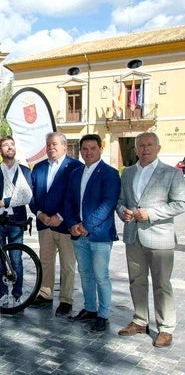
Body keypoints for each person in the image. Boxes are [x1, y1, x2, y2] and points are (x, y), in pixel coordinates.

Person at [116, 132, 185, 347]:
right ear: (135, 150)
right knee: (136, 280)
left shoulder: (171, 174)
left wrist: (151, 214)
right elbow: (120, 201)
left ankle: (165, 328)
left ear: (158, 148)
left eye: (149, 145)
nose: (145, 149)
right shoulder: (127, 173)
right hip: (133, 235)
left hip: (159, 238)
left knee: (161, 284)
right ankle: (140, 320)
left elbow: (180, 203)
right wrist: (123, 212)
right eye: (141, 146)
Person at [64, 134, 120, 333]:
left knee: (101, 276)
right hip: (78, 234)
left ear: (100, 149)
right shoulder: (76, 173)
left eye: (92, 148)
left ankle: (103, 315)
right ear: (80, 151)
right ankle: (90, 309)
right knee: (85, 273)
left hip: (99, 235)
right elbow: (68, 201)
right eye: (84, 149)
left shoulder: (110, 173)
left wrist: (86, 225)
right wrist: (72, 224)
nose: (88, 152)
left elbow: (108, 203)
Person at [30, 132, 83, 316]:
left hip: (66, 225)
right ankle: (45, 294)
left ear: (64, 146)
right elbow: (32, 195)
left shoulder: (76, 167)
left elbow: (76, 196)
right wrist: (39, 213)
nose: (51, 147)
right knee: (45, 261)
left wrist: (60, 216)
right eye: (48, 144)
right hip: (45, 225)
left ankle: (66, 300)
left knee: (67, 264)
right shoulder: (38, 168)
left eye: (55, 144)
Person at [0, 135, 33, 305]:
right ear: (0, 150)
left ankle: (18, 293)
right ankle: (2, 292)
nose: (9, 147)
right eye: (5, 145)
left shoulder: (25, 171)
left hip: (16, 221)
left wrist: (4, 202)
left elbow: (27, 195)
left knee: (16, 258)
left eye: (12, 144)